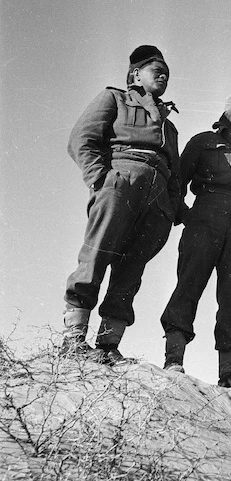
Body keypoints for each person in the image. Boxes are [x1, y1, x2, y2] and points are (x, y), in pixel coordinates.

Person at [62, 45, 180, 364]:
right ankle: (73, 339)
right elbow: (81, 139)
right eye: (154, 68)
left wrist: (171, 207)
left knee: (131, 270)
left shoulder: (170, 126)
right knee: (97, 253)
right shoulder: (114, 99)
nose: (162, 73)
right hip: (120, 182)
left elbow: (176, 175)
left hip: (157, 201)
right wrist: (101, 181)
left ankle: (108, 345)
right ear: (135, 74)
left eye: (166, 70)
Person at [160, 92, 231, 387]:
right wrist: (184, 214)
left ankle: (228, 375)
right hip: (205, 219)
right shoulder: (203, 142)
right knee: (188, 286)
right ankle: (174, 359)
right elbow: (176, 179)